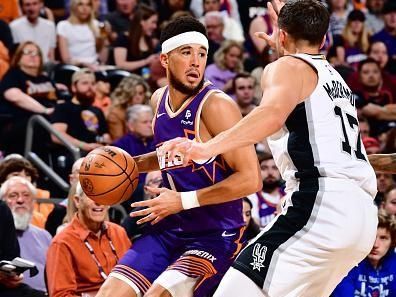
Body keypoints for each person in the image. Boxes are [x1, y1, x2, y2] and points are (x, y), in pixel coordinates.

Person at [162, 1, 380, 296]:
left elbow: (271, 114)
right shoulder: (336, 79)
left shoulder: (286, 67)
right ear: (325, 38)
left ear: (281, 36)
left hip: (321, 206)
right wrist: (287, 38)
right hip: (363, 218)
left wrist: (207, 147)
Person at [96, 16, 260, 297]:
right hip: (170, 228)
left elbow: (251, 179)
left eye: (202, 53)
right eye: (187, 52)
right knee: (109, 294)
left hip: (215, 234)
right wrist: (127, 166)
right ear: (165, 59)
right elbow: (170, 156)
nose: (196, 61)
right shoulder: (158, 100)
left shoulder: (217, 106)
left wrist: (181, 201)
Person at [46, 182, 131, 297]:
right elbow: (61, 295)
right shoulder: (62, 243)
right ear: (77, 201)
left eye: (103, 196)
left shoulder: (119, 233)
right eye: (92, 196)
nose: (99, 202)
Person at [0, 41, 57, 155]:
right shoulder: (13, 75)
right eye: (28, 52)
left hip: (50, 120)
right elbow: (14, 96)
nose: (33, 55)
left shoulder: (45, 79)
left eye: (36, 53)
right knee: (39, 125)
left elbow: (58, 100)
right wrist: (44, 110)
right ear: (19, 57)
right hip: (24, 123)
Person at [0, 176, 52, 294]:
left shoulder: (45, 236)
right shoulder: (3, 214)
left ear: (34, 201)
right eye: (13, 195)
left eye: (26, 195)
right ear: (3, 200)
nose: (20, 200)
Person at [332, 210, 396, 297]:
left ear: (392, 242)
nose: (375, 244)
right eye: (371, 236)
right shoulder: (347, 264)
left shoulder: (393, 263)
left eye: (383, 238)